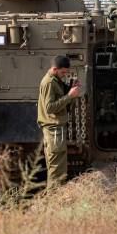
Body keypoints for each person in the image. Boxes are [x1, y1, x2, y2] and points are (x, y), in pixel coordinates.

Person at [37, 55, 80, 188]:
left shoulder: (56, 80)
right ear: (55, 69)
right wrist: (69, 96)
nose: (64, 75)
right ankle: (54, 200)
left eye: (66, 72)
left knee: (60, 168)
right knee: (56, 170)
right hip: (53, 130)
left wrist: (71, 90)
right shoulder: (49, 83)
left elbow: (61, 104)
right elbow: (49, 108)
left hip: (57, 129)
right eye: (63, 72)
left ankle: (56, 198)